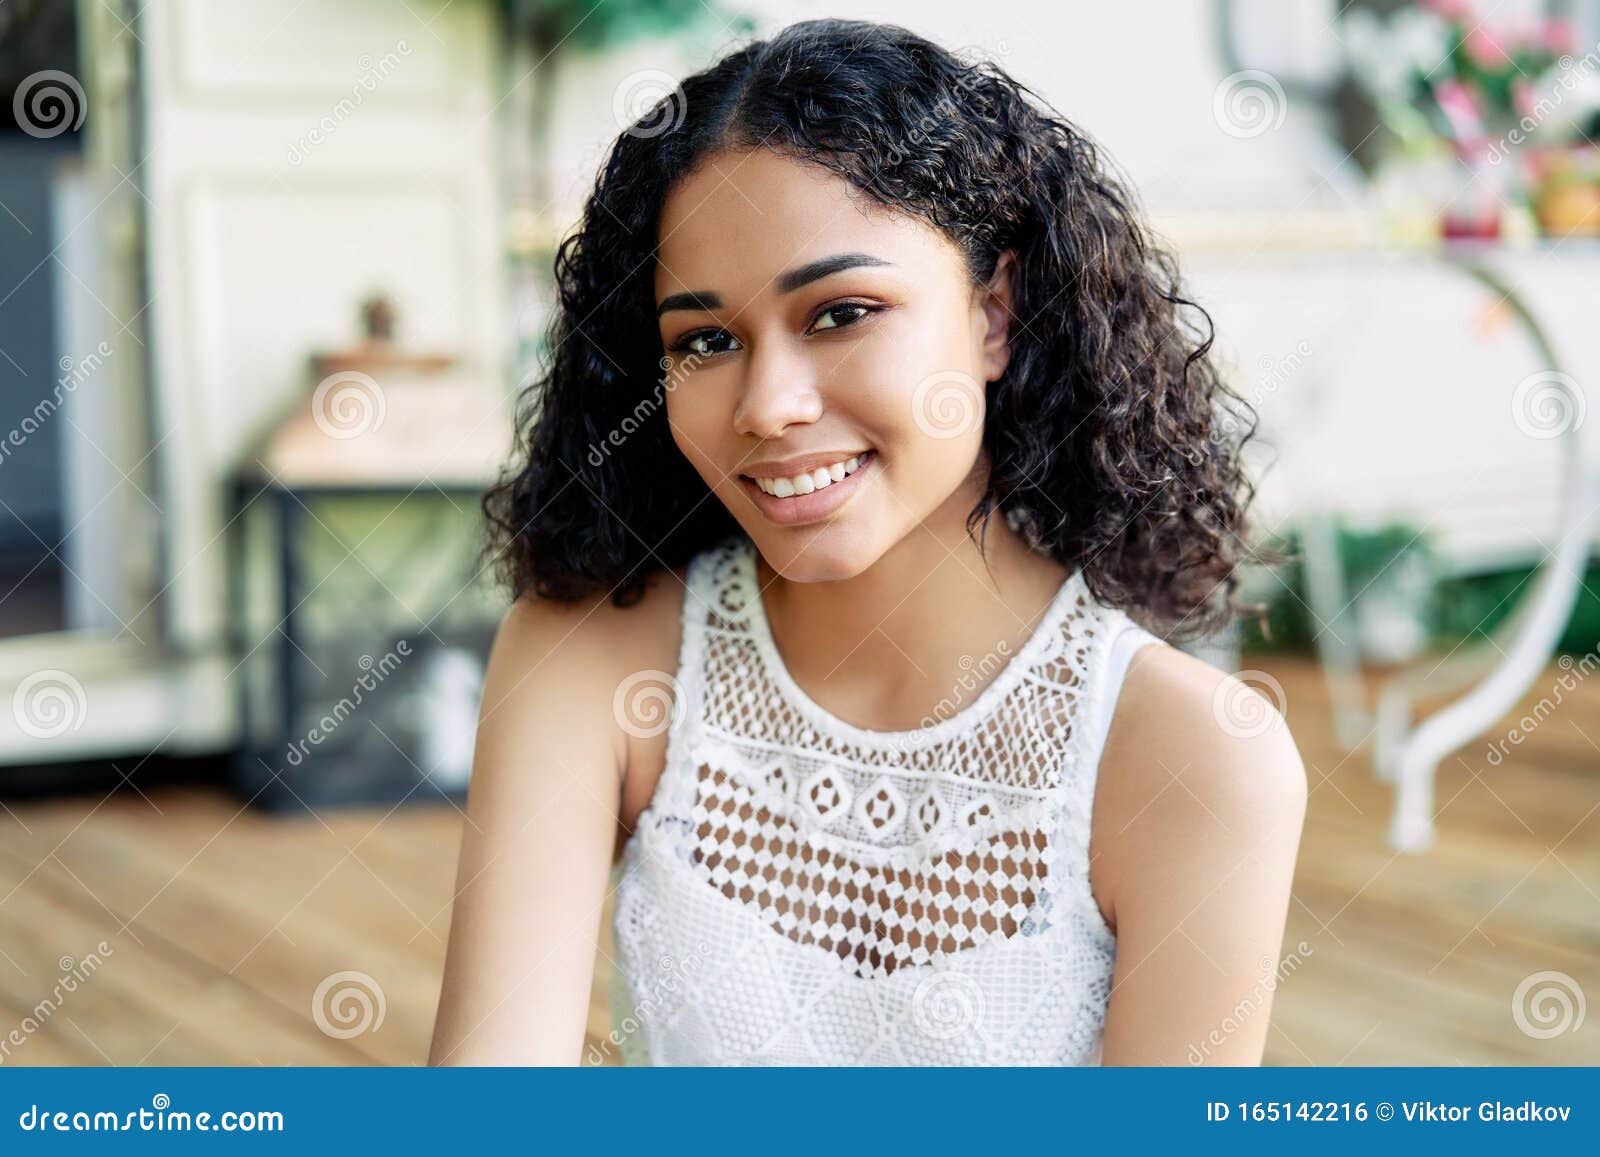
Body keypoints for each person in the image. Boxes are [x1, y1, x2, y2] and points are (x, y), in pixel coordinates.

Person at [428, 17, 1306, 1067]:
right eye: (704, 340)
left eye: (840, 312)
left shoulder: (1195, 760)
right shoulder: (591, 662)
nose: (767, 405)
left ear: (994, 313)